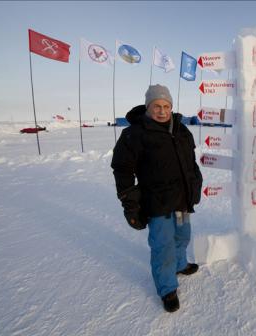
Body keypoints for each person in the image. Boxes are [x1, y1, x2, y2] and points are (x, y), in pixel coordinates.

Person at [111, 84, 203, 313]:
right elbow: (122, 169)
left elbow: (191, 162)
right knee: (163, 246)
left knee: (182, 236)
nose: (162, 111)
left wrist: (195, 183)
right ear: (148, 107)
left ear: (171, 107)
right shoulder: (135, 133)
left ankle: (180, 264)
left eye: (166, 106)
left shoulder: (182, 130)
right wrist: (130, 201)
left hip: (182, 199)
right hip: (157, 202)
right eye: (156, 106)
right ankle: (167, 288)